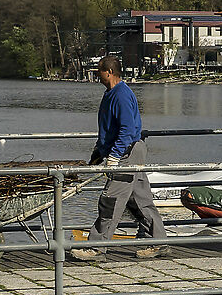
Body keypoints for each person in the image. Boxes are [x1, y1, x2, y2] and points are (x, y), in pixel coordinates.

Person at [69, 54, 164, 260]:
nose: (97, 76)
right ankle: (159, 242)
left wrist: (114, 155)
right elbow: (109, 129)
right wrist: (99, 152)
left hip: (127, 152)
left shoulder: (120, 95)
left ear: (109, 72)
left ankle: (96, 248)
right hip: (129, 151)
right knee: (139, 200)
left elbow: (127, 129)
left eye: (99, 72)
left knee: (109, 200)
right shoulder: (110, 93)